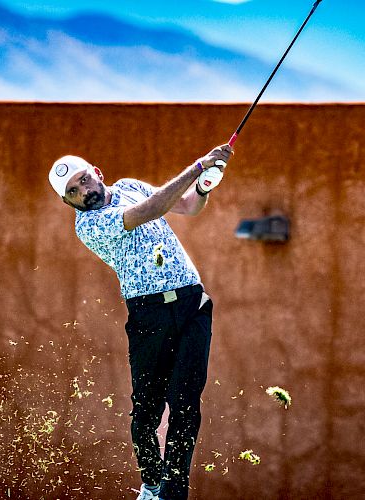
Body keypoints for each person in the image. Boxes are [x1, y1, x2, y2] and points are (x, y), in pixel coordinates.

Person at [48, 144, 233, 500]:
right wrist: (199, 166)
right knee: (147, 411)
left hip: (193, 304)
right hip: (149, 315)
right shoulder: (89, 225)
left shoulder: (131, 184)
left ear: (97, 173)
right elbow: (152, 209)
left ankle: (174, 490)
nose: (84, 192)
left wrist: (205, 186)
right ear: (67, 202)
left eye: (84, 180)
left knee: (186, 402)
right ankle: (151, 484)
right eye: (73, 191)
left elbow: (187, 206)